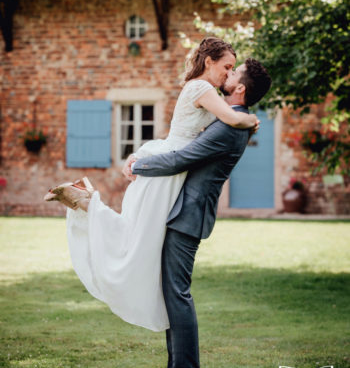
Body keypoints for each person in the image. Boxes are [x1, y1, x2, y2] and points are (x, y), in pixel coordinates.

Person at [44, 37, 258, 333]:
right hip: (168, 170)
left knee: (140, 236)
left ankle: (87, 201)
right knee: (138, 237)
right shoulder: (204, 89)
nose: (228, 73)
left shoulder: (207, 91)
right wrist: (251, 120)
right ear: (209, 62)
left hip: (171, 168)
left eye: (233, 69)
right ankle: (88, 203)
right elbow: (230, 119)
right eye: (227, 66)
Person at [126, 56, 272, 368]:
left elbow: (182, 159)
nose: (228, 73)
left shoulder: (230, 125)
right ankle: (175, 367)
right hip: (183, 212)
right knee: (170, 289)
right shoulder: (233, 119)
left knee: (177, 291)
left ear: (239, 87)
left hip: (189, 216)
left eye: (233, 72)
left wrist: (137, 166)